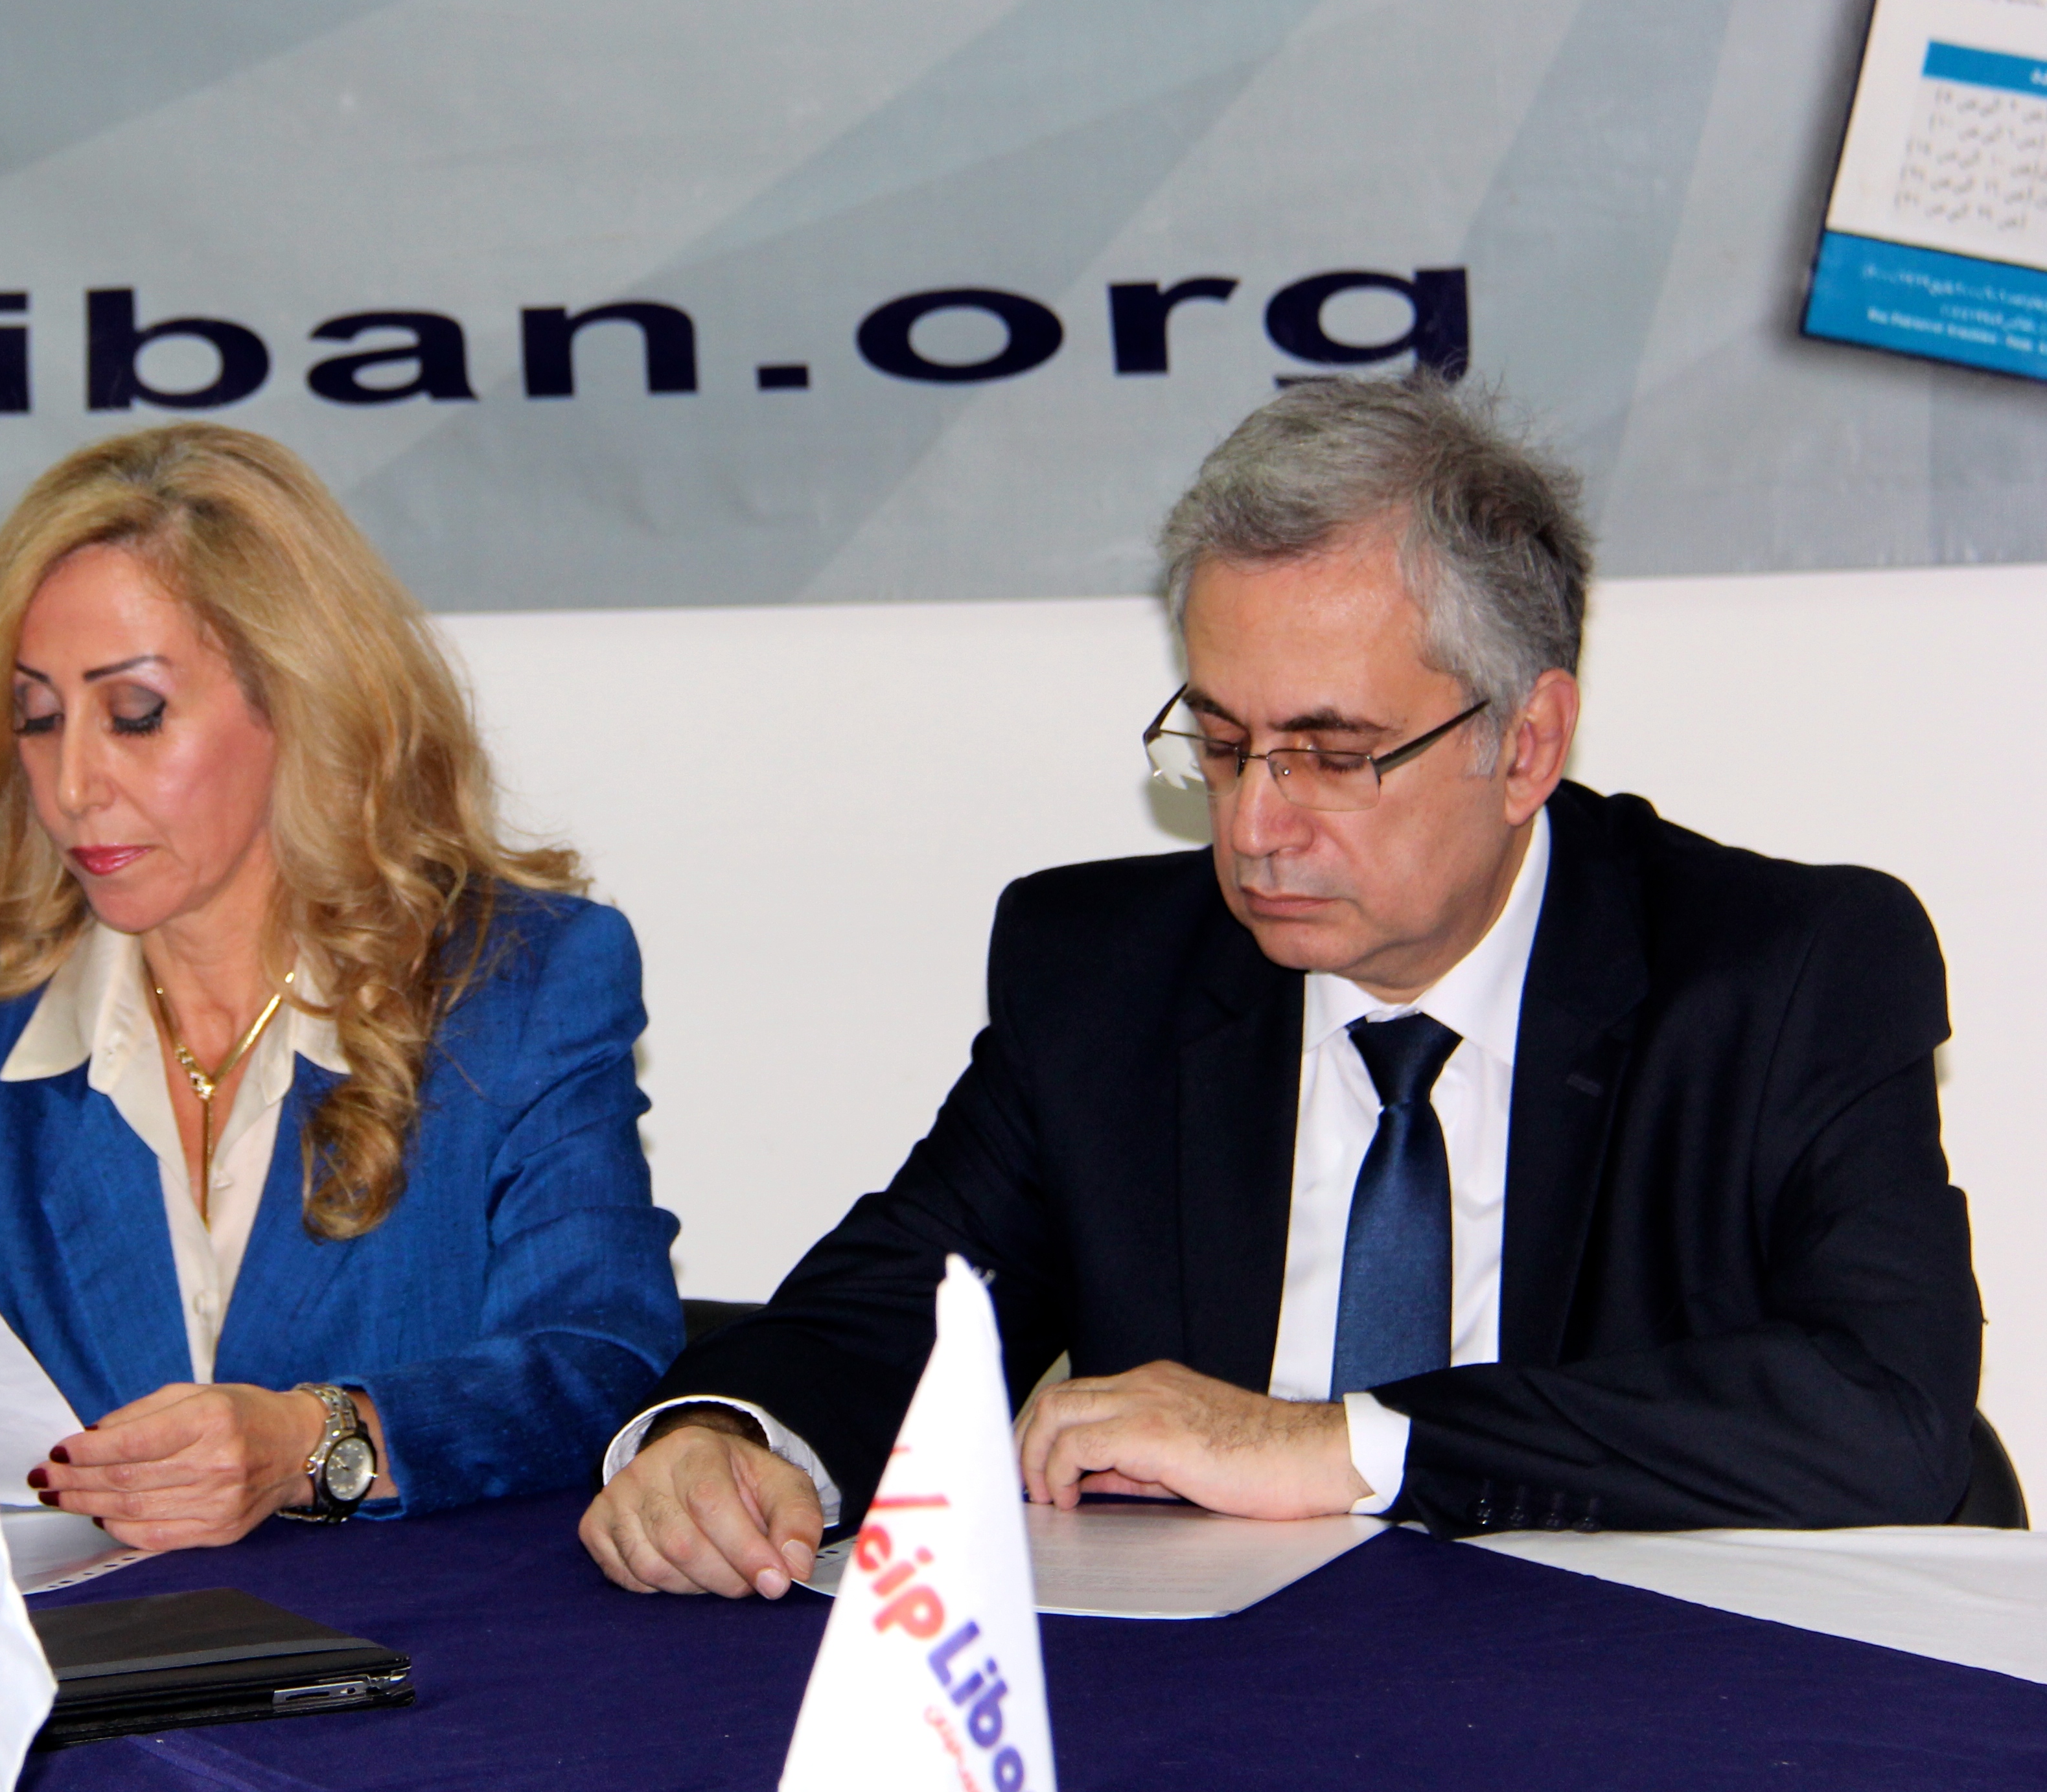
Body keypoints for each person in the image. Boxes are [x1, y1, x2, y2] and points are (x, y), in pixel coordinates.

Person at [583, 374, 1980, 1599]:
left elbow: (1888, 1413)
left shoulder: (1785, 973)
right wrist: (729, 1437)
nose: (1254, 826)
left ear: (1526, 745)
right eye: (1223, 743)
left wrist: (1336, 1444)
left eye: (1334, 754)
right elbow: (905, 1306)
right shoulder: (1105, 977)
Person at [0, 424, 679, 1548]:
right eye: (37, 718)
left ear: (302, 701)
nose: (72, 785)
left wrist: (311, 1441)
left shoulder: (521, 981)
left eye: (136, 715)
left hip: (415, 1639)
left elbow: (600, 1358)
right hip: (82, 1647)